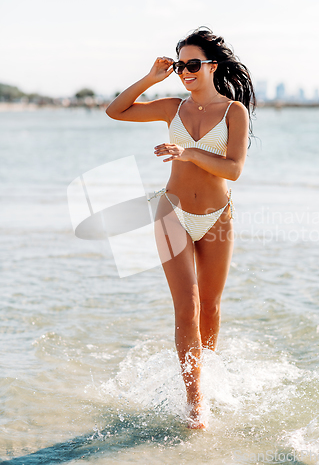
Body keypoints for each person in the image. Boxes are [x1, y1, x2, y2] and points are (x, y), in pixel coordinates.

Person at [105, 27, 256, 429]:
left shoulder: (233, 112)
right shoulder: (172, 106)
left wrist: (186, 152)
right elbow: (115, 111)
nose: (185, 72)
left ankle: (208, 380)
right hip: (171, 213)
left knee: (210, 307)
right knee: (187, 308)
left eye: (192, 64)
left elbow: (234, 169)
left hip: (217, 217)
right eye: (180, 66)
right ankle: (195, 404)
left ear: (213, 65)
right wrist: (152, 78)